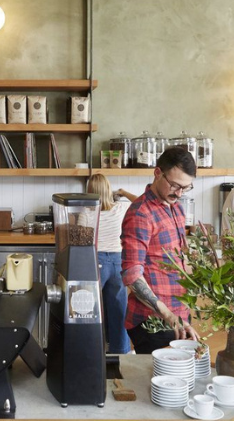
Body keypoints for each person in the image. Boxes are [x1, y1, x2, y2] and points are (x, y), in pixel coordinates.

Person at [121, 146, 200, 354]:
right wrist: (169, 316)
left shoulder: (176, 208)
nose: (180, 193)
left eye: (186, 187)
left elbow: (179, 261)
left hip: (179, 315)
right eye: (175, 185)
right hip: (153, 322)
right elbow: (131, 275)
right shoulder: (141, 214)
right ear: (157, 173)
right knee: (160, 382)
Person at [85, 174, 137, 354]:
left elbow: (81, 239)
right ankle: (121, 352)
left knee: (89, 310)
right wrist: (122, 192)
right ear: (108, 190)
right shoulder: (121, 208)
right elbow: (141, 202)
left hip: (95, 261)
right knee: (118, 310)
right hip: (118, 262)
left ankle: (91, 350)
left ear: (89, 191)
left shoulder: (86, 212)